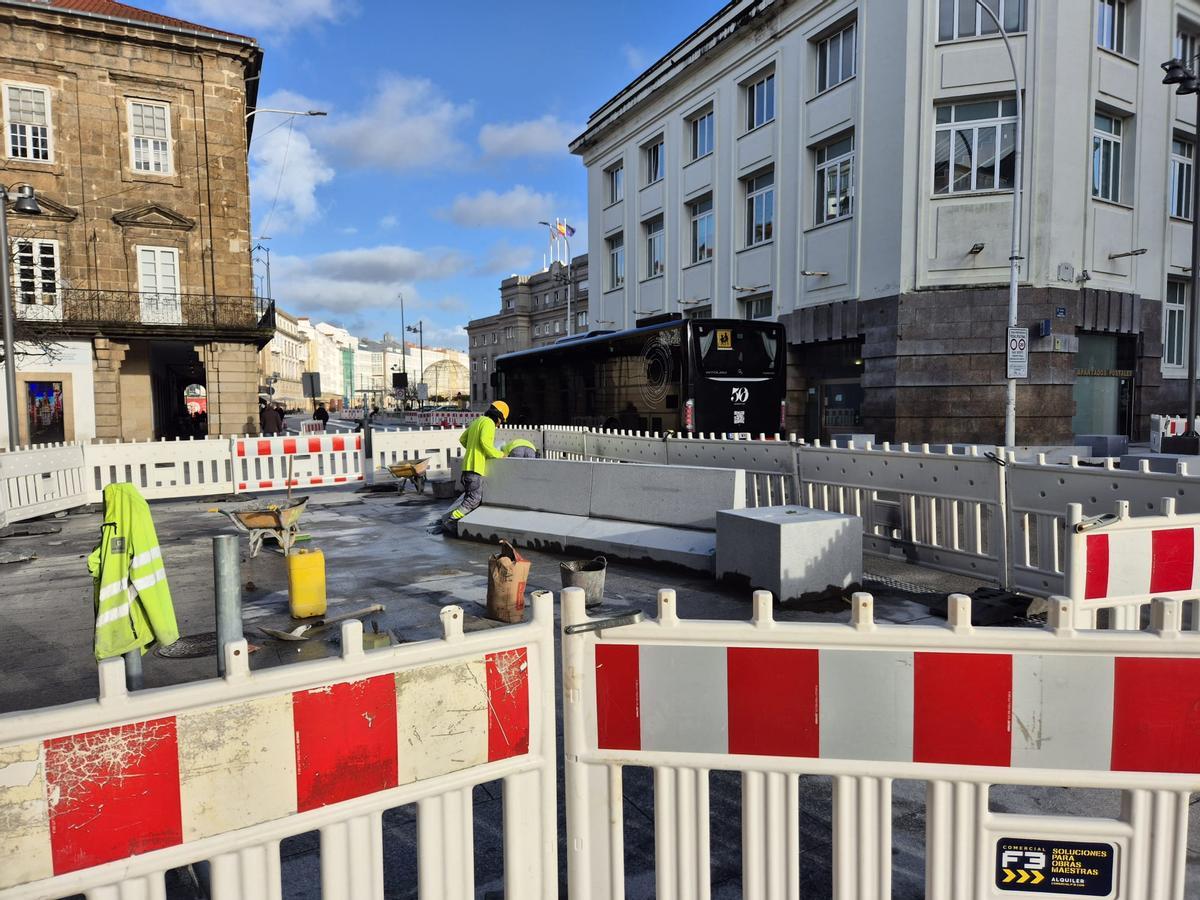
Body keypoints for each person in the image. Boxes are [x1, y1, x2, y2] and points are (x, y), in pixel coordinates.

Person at [435, 401, 509, 534]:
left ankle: (457, 521)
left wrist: (473, 449)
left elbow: (463, 439)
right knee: (474, 499)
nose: (500, 424)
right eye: (501, 420)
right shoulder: (489, 423)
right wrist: (499, 454)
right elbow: (485, 443)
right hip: (476, 467)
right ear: (498, 416)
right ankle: (452, 520)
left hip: (467, 467)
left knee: (469, 497)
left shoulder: (478, 421)